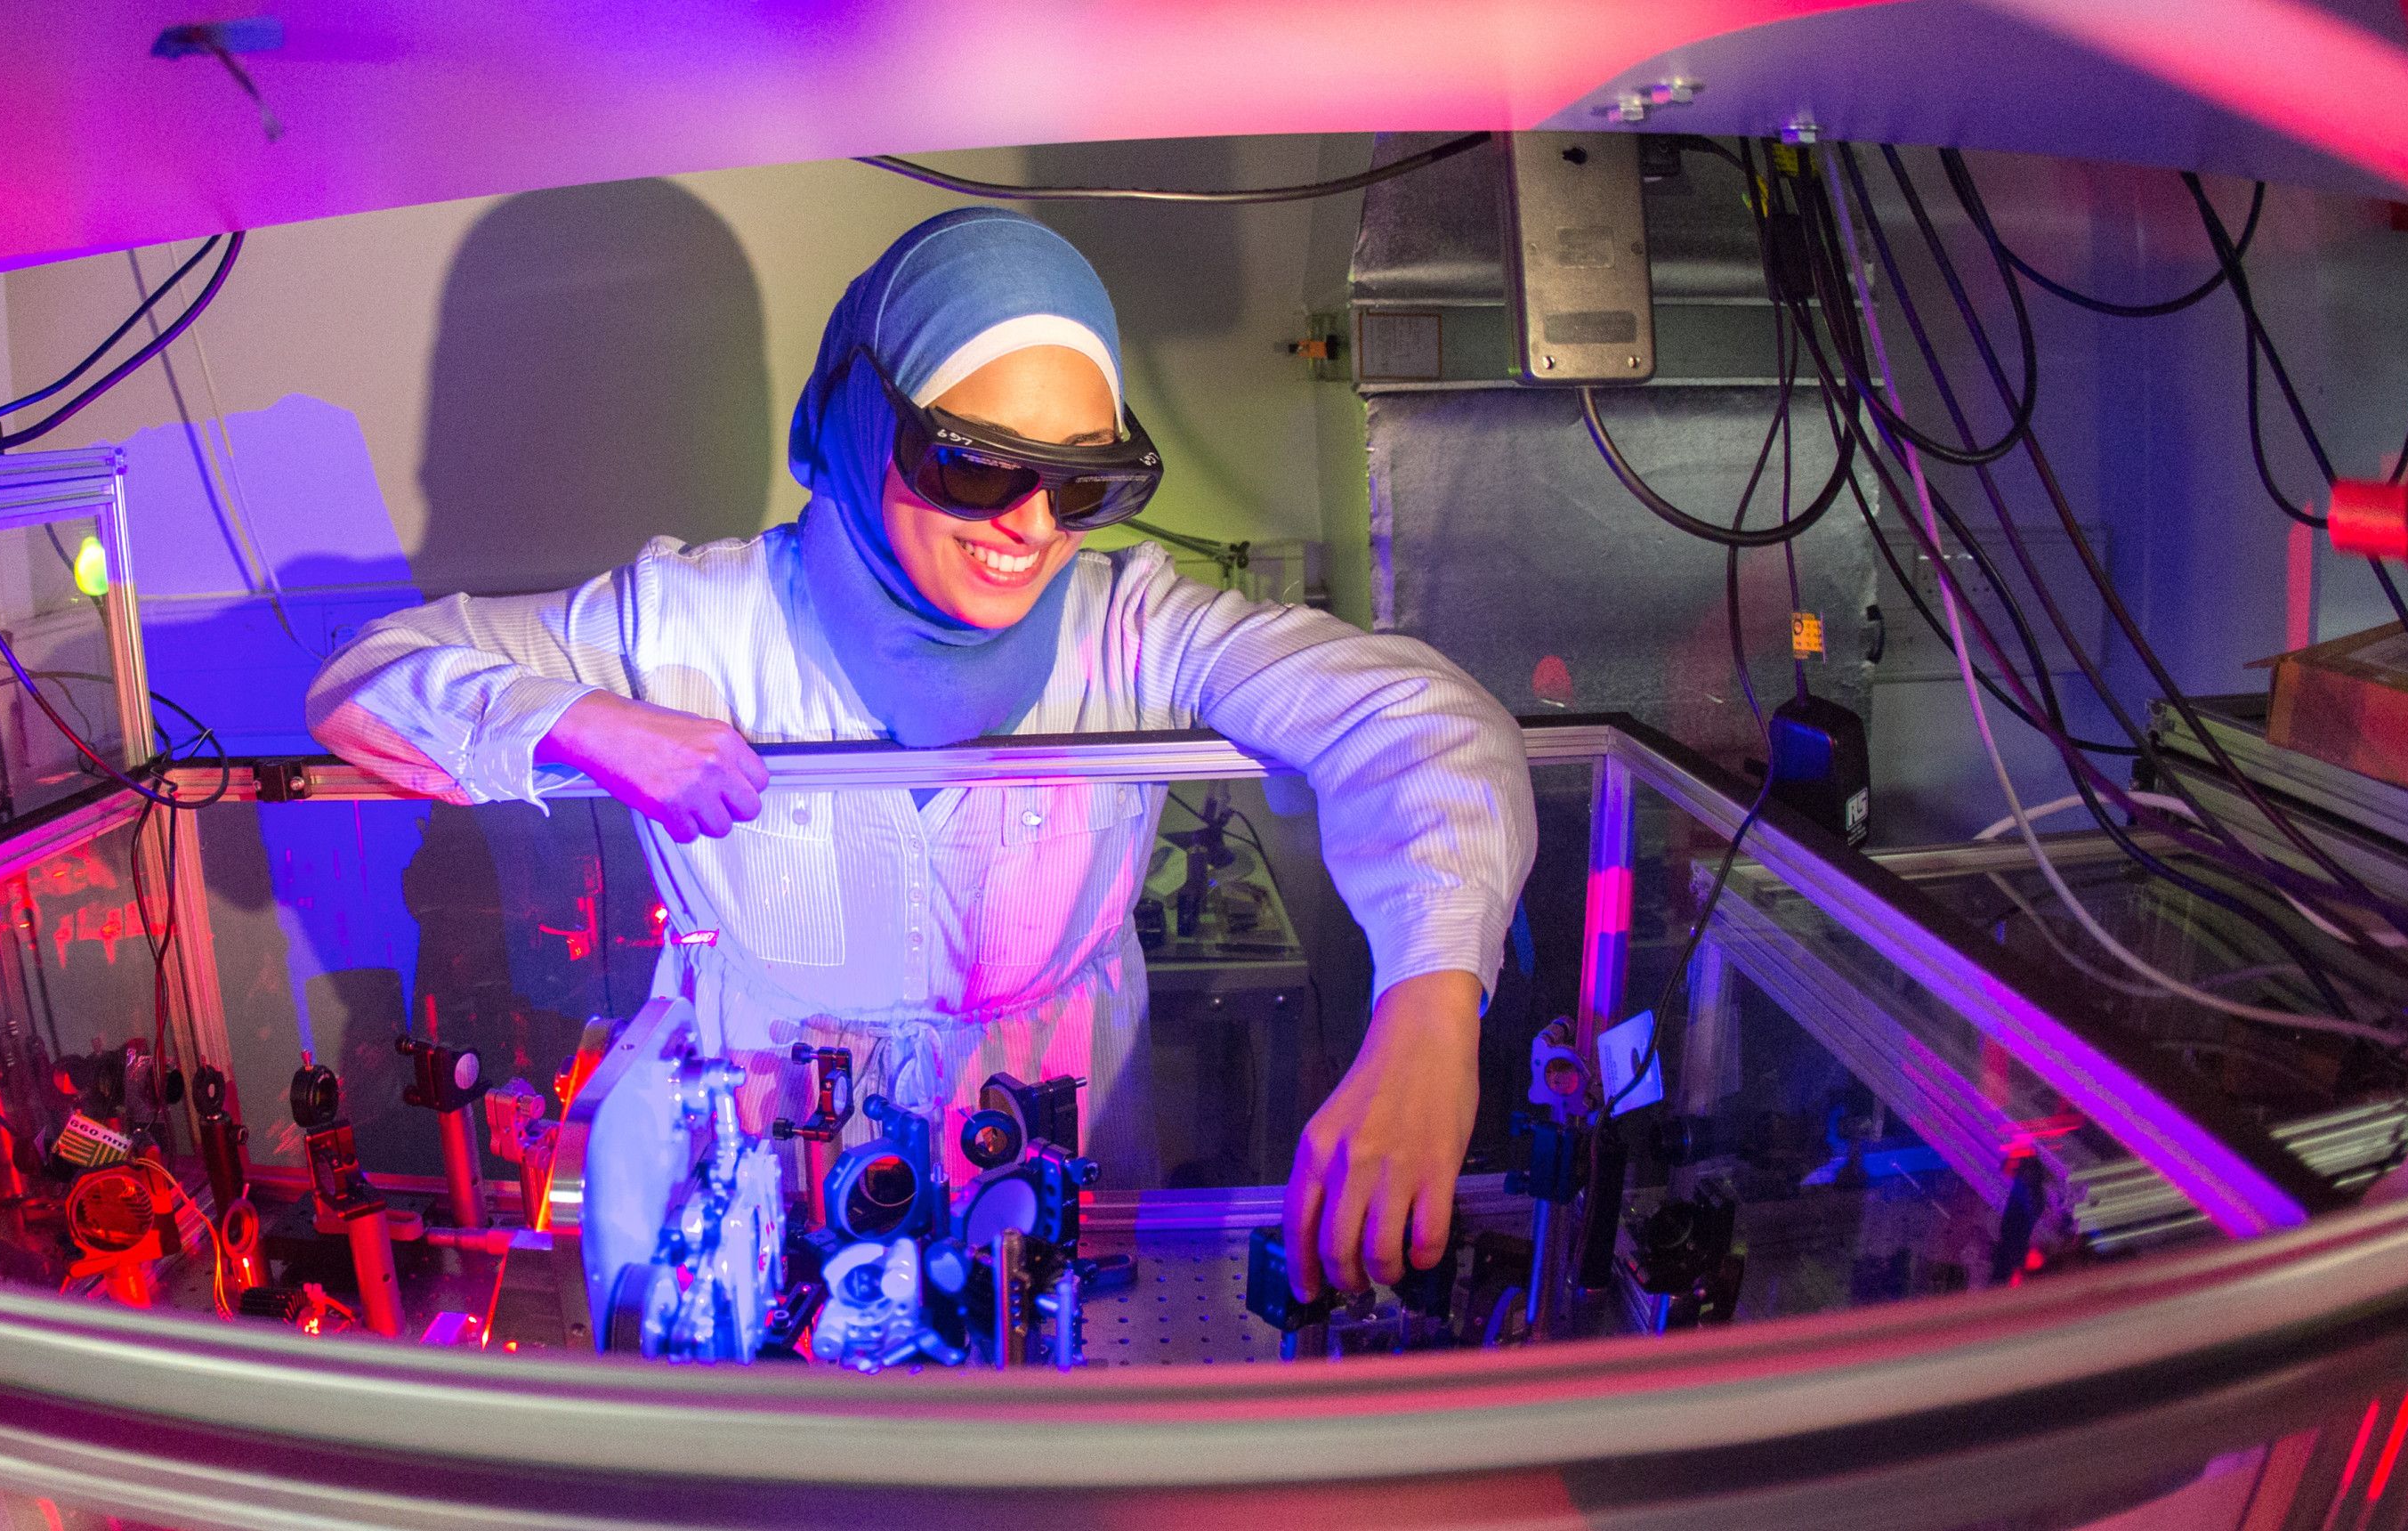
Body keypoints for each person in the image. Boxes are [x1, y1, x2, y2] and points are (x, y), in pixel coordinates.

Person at [308, 207, 1531, 1300]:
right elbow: (364, 686)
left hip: (1049, 1195)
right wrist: (587, 724)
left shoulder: (1133, 626)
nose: (1029, 525)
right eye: (974, 459)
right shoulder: (692, 623)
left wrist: (1427, 1014)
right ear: (859, 414)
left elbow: (1425, 726)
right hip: (765, 1203)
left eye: (1085, 480)